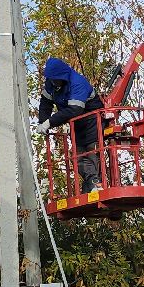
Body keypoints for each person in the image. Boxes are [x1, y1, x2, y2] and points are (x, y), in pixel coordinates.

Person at [38, 57, 104, 193]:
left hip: (93, 120)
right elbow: (45, 103)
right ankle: (92, 187)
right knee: (78, 158)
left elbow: (75, 109)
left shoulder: (77, 82)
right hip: (77, 125)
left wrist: (49, 122)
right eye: (50, 79)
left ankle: (95, 186)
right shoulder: (51, 83)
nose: (52, 82)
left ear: (61, 76)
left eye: (55, 79)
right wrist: (42, 122)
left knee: (92, 155)